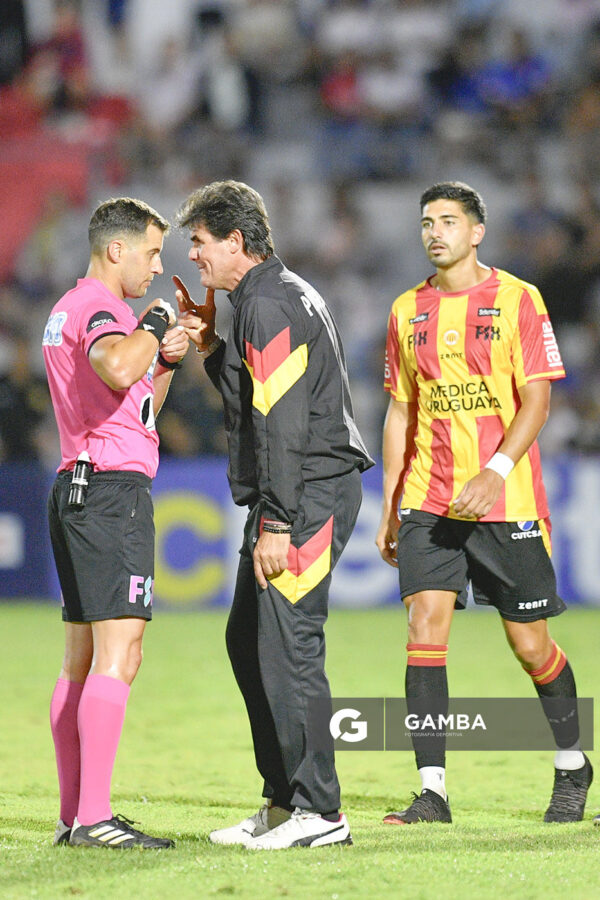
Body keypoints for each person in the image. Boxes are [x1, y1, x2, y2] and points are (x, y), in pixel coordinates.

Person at [376, 181, 592, 825]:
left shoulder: (519, 299)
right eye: (425, 222)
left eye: (448, 221)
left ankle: (573, 763)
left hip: (504, 498)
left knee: (530, 646)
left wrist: (498, 468)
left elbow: (538, 399)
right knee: (424, 628)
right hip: (429, 498)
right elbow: (399, 410)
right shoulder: (403, 311)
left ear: (477, 232)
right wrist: (390, 501)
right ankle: (433, 792)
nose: (434, 231)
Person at [174, 179, 373, 850]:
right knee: (248, 637)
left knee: (288, 641)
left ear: (235, 241)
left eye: (199, 244)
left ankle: (323, 813)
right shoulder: (267, 298)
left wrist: (280, 520)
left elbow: (282, 420)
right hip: (300, 486)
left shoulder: (269, 304)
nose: (193, 257)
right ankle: (286, 801)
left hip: (308, 489)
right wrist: (210, 348)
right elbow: (258, 394)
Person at [43, 197, 189, 849]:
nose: (158, 266)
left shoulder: (71, 309)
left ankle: (76, 816)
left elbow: (136, 404)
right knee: (119, 655)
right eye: (153, 252)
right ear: (116, 250)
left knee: (80, 660)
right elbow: (117, 365)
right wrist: (154, 324)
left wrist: (167, 360)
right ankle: (95, 819)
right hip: (110, 494)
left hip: (79, 485)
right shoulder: (105, 310)